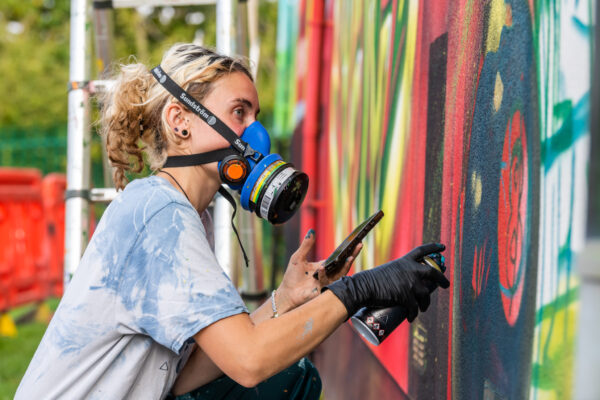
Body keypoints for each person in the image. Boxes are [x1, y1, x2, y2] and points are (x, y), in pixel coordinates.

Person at [15, 43, 450, 399]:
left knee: (287, 379)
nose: (254, 135)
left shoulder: (181, 211)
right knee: (280, 380)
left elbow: (183, 375)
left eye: (255, 116)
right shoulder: (160, 215)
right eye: (239, 112)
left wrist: (285, 299)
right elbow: (248, 362)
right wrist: (357, 291)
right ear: (180, 121)